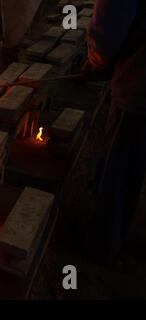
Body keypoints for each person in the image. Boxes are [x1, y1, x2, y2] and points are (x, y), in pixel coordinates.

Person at [83, 0, 146, 264]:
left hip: (139, 85)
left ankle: (102, 245)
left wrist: (96, 63)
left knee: (120, 168)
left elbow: (108, 32)